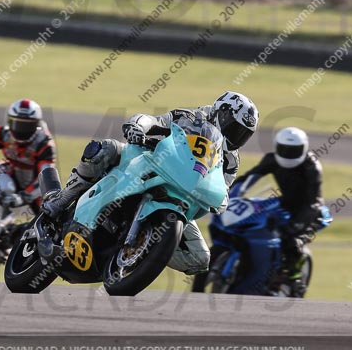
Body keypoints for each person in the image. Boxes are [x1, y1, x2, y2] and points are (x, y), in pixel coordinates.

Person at [43, 91, 259, 275]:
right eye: (235, 129)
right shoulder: (190, 117)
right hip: (148, 162)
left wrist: (221, 200)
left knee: (200, 259)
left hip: (182, 197)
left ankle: (144, 252)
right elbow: (155, 120)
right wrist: (138, 126)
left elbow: (223, 187)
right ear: (222, 113)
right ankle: (60, 201)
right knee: (104, 149)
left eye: (244, 134)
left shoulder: (231, 160)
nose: (237, 137)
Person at [234, 126, 324, 289]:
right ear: (276, 146)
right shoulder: (272, 159)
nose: (288, 154)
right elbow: (252, 175)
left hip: (309, 210)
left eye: (294, 150)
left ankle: (294, 275)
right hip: (285, 203)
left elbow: (313, 201)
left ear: (304, 148)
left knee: (292, 240)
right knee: (255, 225)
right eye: (284, 149)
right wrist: (234, 191)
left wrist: (297, 224)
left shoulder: (312, 167)